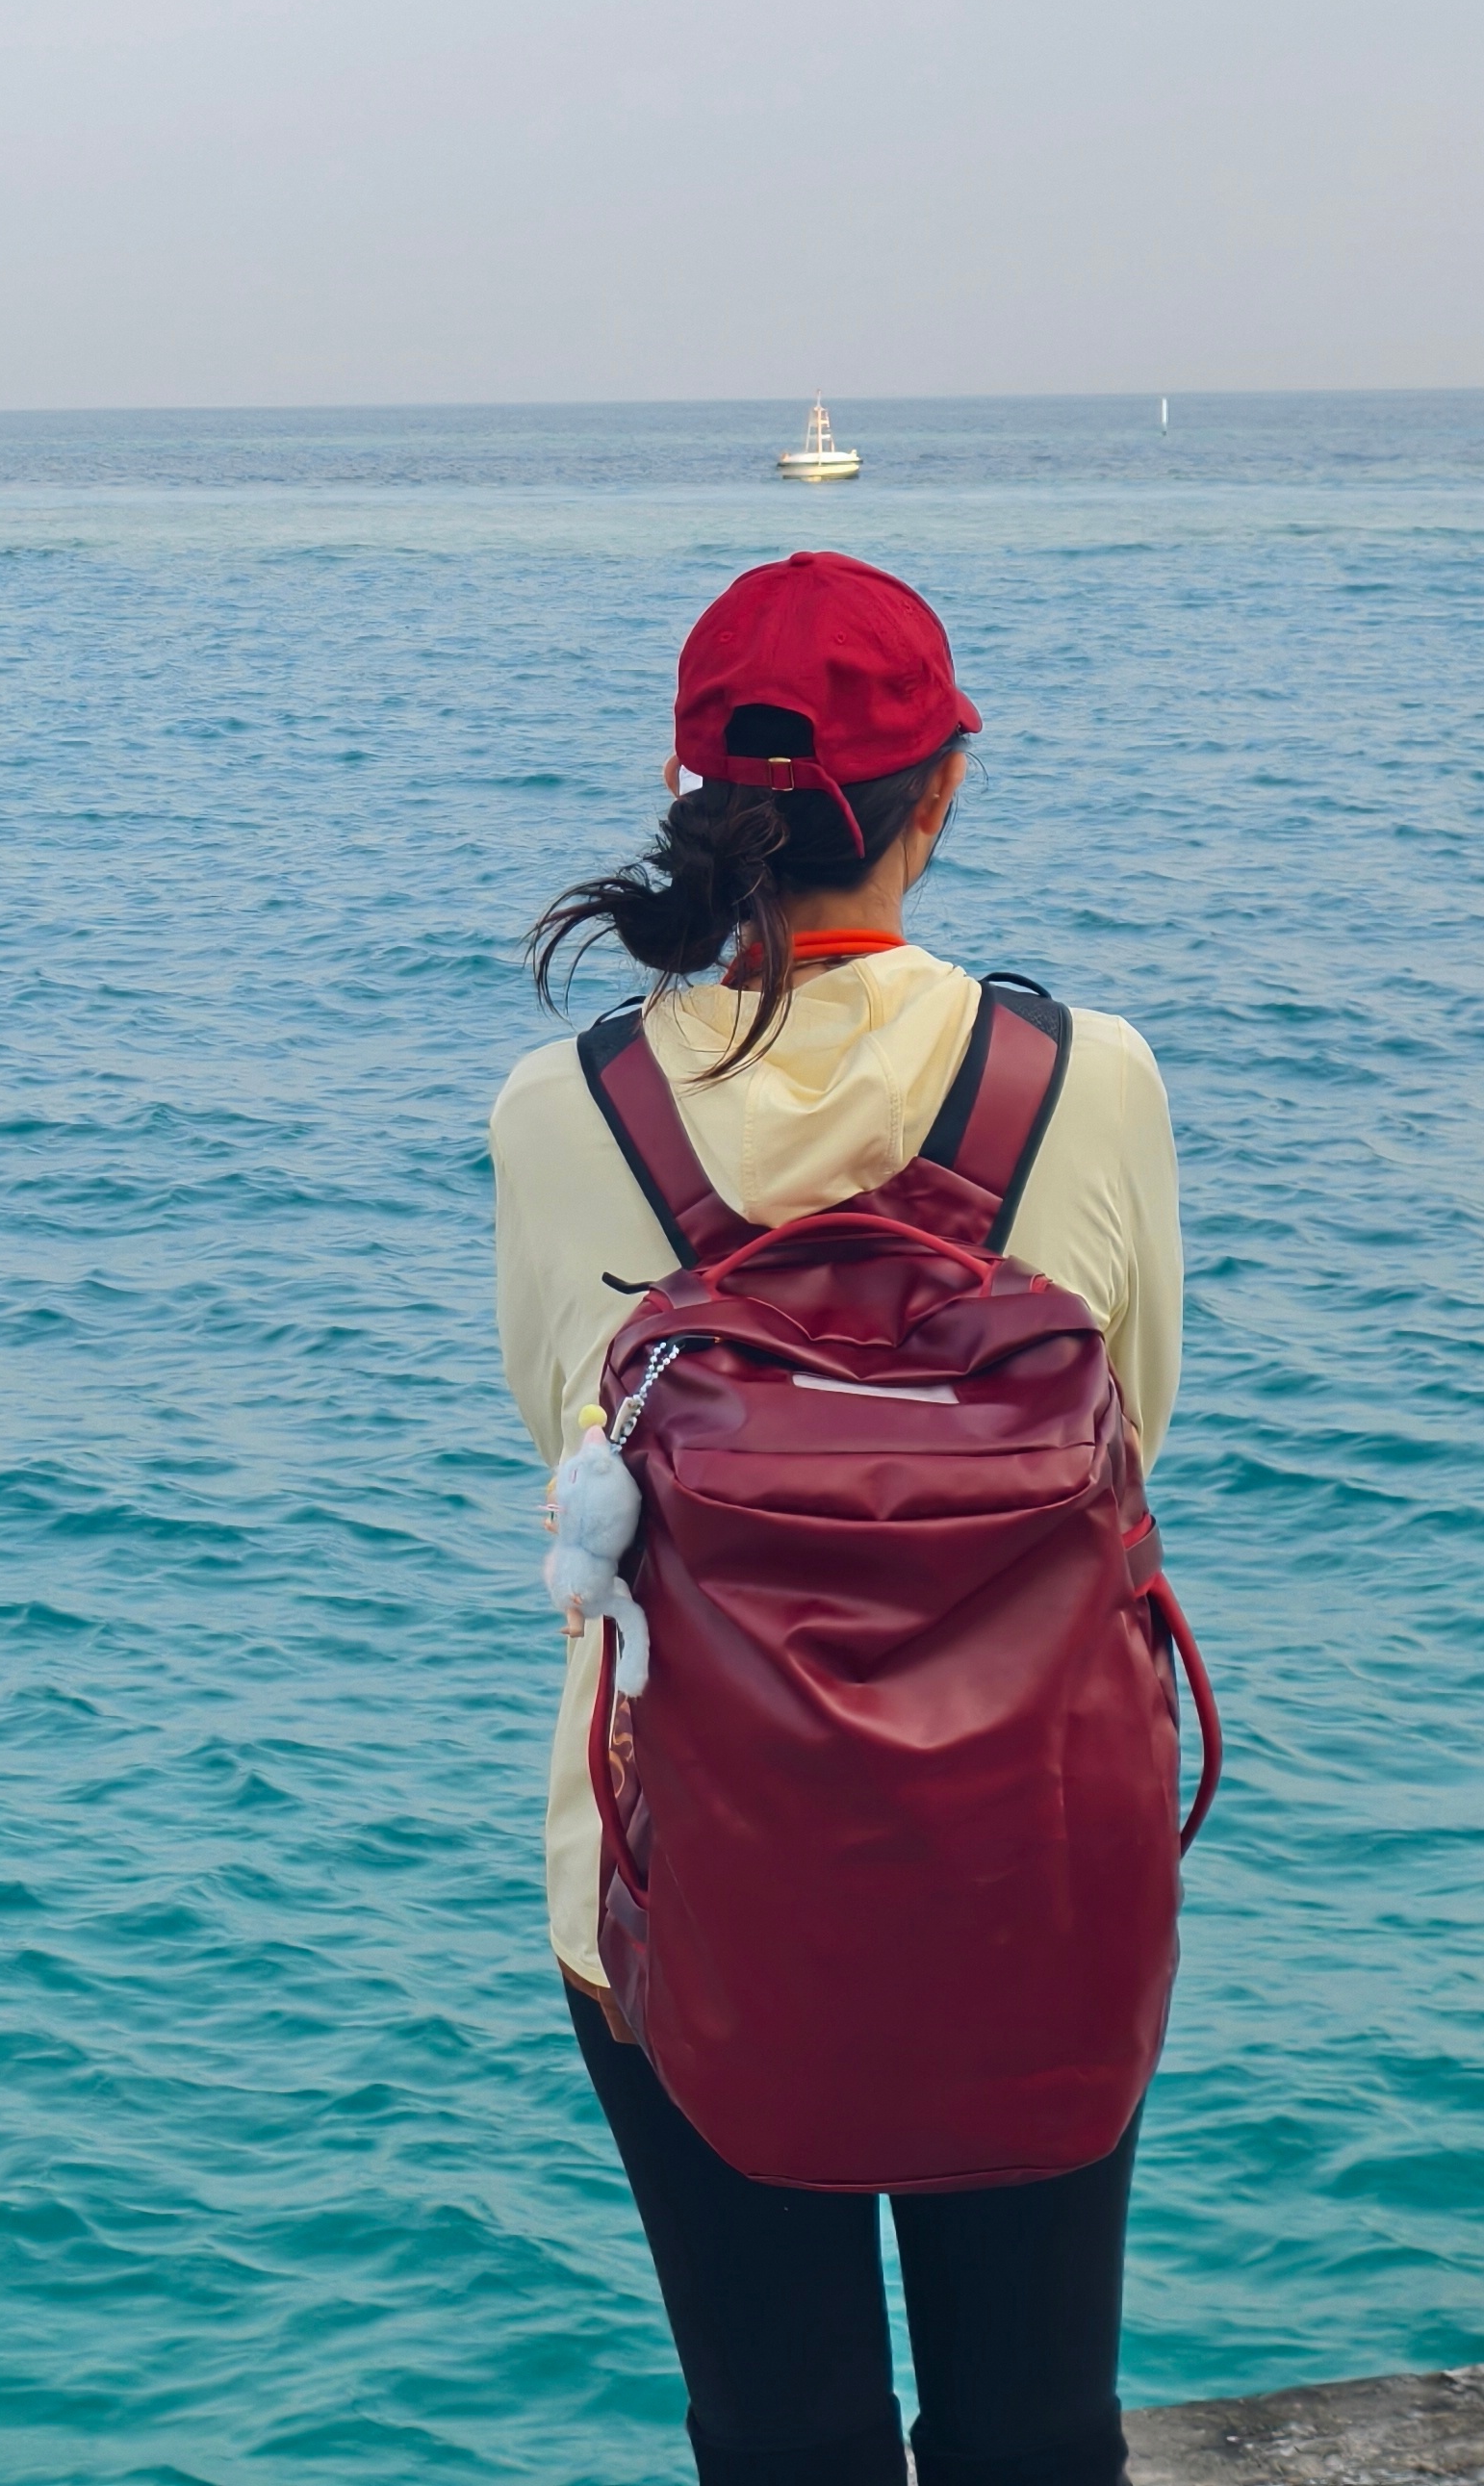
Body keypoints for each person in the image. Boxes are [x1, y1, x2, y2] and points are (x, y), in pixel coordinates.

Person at [492, 550, 1183, 2486]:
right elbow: (1138, 1420)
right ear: (941, 786)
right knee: (1039, 2419)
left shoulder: (573, 1103)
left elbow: (565, 1444)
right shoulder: (1084, 1078)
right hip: (1036, 1835)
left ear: (699, 795)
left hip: (669, 1852)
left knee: (780, 2426)